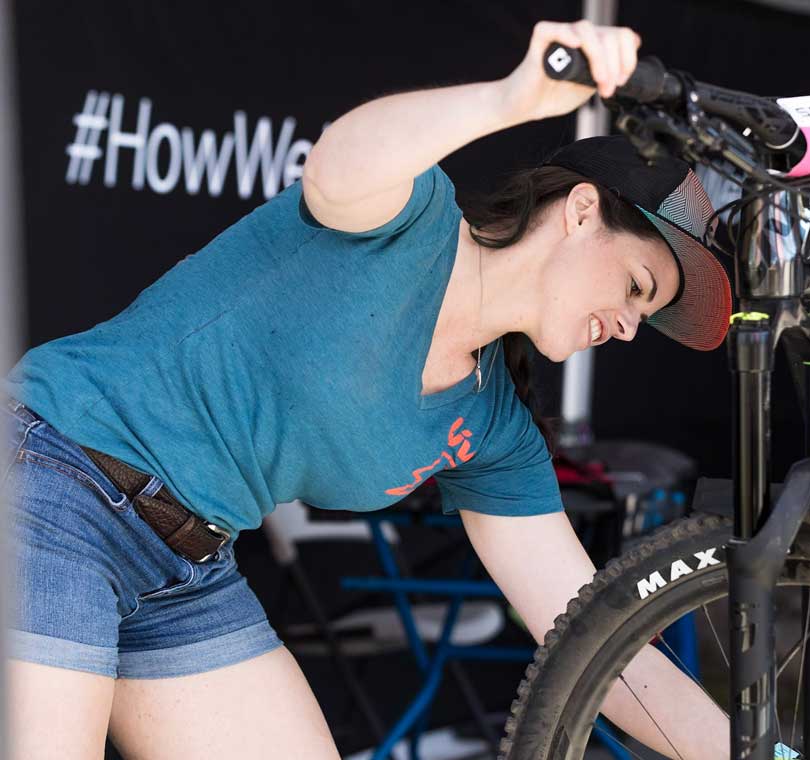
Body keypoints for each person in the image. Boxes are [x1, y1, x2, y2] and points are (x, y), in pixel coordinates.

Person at [3, 18, 732, 760]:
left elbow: (595, 643)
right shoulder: (412, 219)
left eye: (647, 315)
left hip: (185, 571)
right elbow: (338, 163)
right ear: (581, 212)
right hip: (57, 485)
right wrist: (518, 95)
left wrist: (763, 754)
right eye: (637, 287)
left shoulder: (494, 427)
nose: (630, 327)